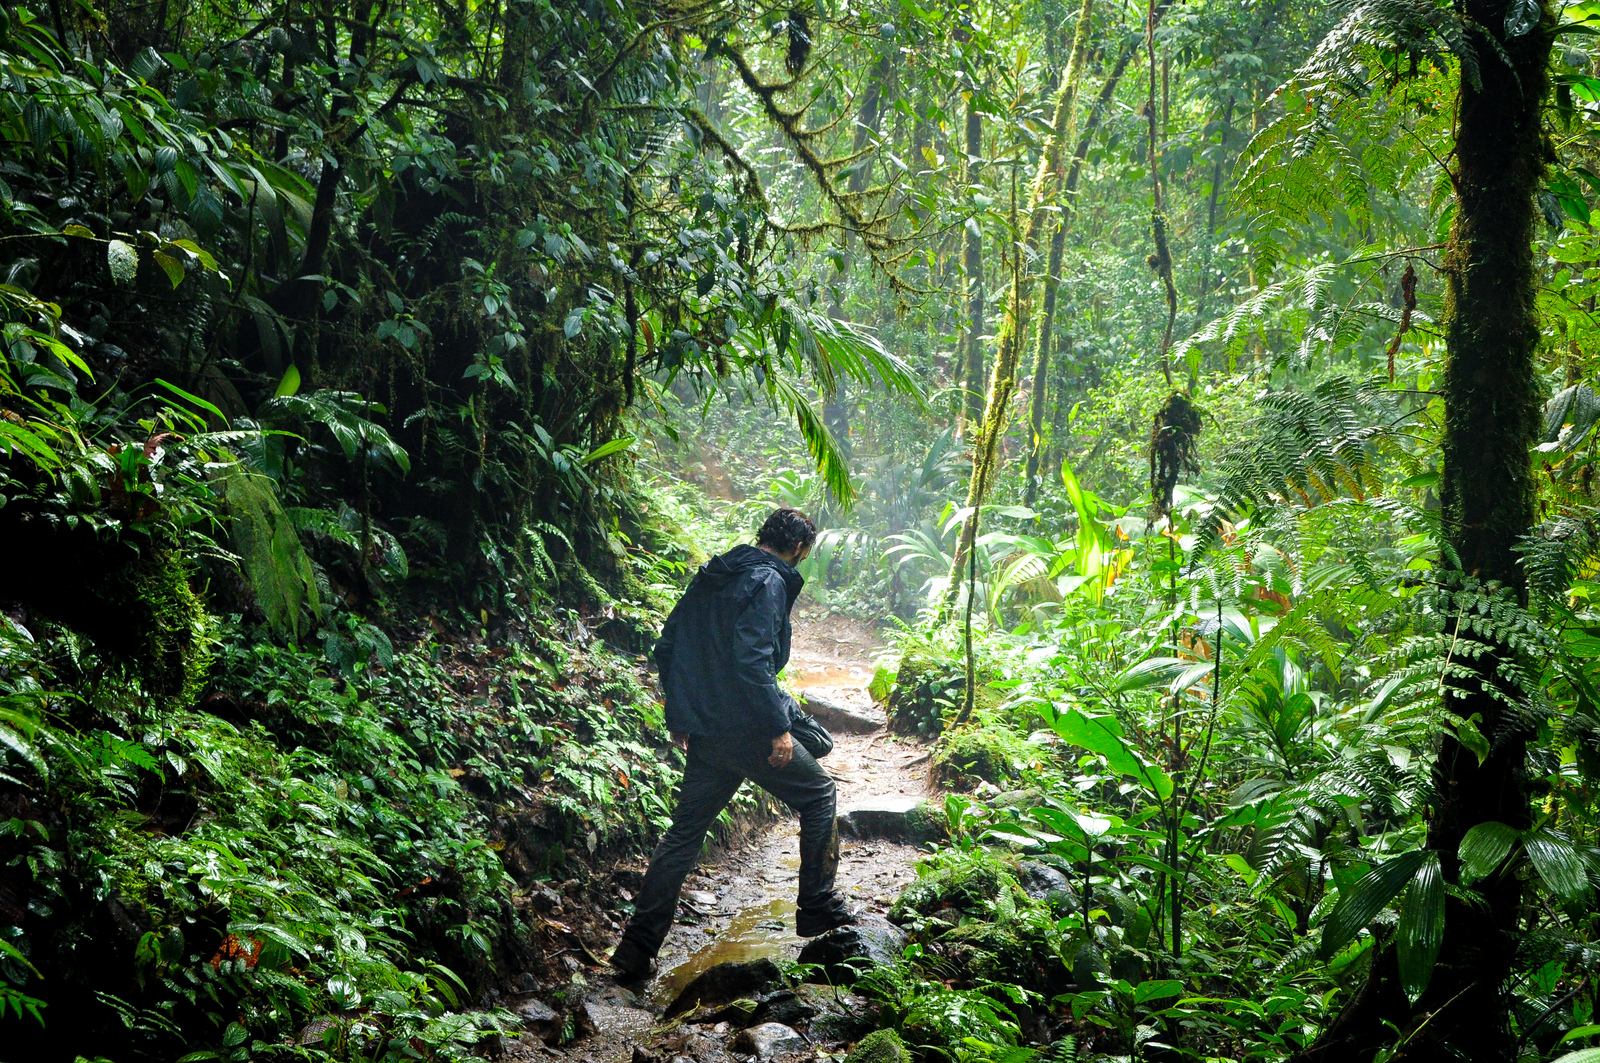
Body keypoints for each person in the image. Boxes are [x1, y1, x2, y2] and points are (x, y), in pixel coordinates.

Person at [609, 507, 856, 980]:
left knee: (682, 836)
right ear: (801, 549)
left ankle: (634, 952)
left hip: (708, 731)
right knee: (820, 794)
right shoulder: (769, 582)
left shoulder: (717, 572)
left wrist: (681, 714)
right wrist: (776, 728)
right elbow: (751, 661)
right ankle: (817, 905)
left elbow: (669, 644)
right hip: (746, 729)